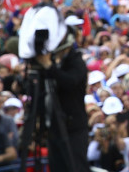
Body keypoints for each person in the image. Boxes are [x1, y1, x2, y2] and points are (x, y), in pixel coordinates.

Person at [35, 27, 89, 172]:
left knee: (76, 167)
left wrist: (49, 67)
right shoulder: (53, 61)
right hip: (54, 127)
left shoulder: (76, 61)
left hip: (73, 127)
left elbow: (70, 81)